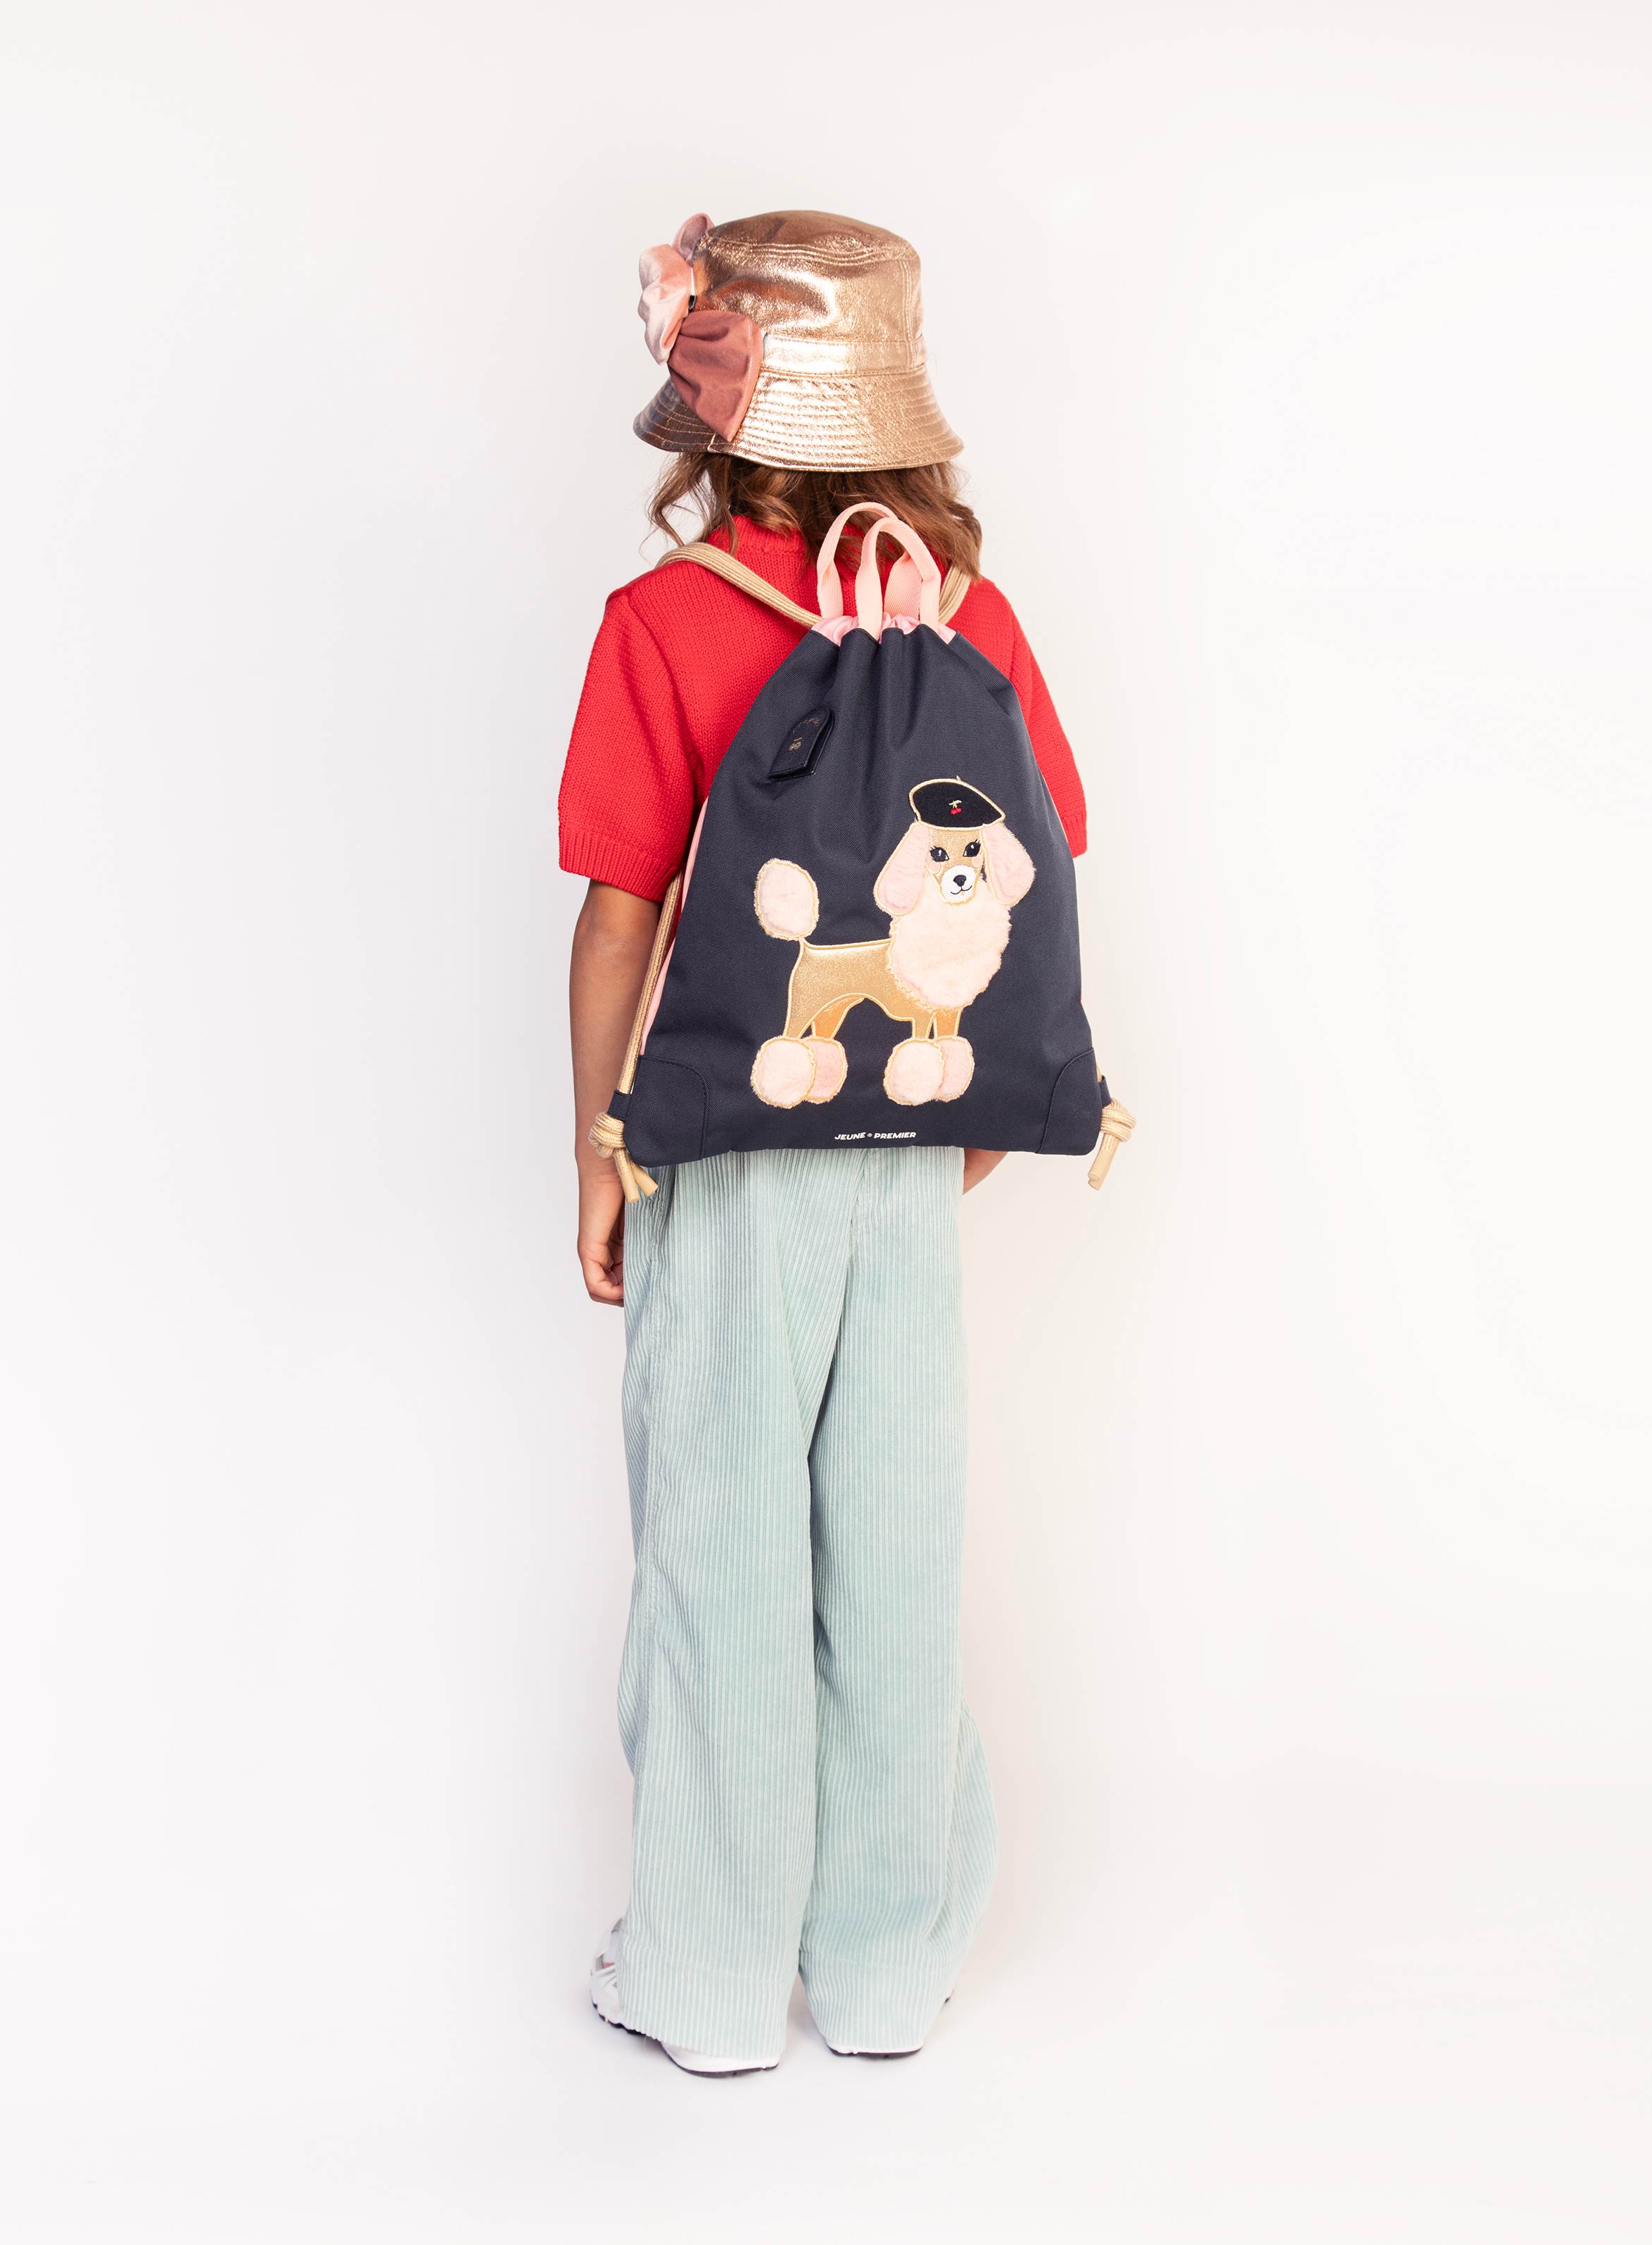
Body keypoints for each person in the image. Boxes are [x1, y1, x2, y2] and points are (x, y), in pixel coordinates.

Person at [559, 210, 1088, 2075]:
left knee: (722, 1547)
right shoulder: (974, 619)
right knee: (894, 1542)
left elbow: (623, 913)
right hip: (912, 1140)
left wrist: (603, 1147)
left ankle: (709, 1985)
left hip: (726, 1138)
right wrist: (973, 1113)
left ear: (725, 412)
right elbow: (1041, 869)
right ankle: (882, 1968)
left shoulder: (667, 619)